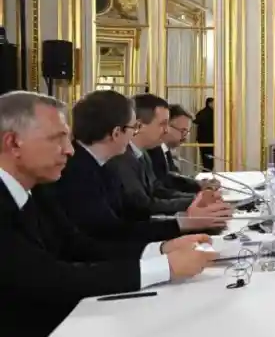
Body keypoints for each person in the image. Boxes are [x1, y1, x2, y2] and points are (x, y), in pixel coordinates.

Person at [0, 91, 216, 337]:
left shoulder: (38, 188)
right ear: (13, 143)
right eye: (57, 138)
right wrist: (166, 266)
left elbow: (79, 246)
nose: (69, 149)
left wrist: (162, 248)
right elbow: (51, 279)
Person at [38, 91, 230, 243]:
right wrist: (183, 225)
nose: (134, 136)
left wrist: (187, 221)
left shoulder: (101, 164)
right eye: (133, 128)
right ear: (116, 133)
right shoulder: (79, 172)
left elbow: (131, 217)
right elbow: (108, 235)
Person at [106, 94, 196, 214]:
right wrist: (192, 203)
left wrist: (194, 199)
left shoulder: (142, 153)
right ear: (139, 126)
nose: (166, 130)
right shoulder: (121, 157)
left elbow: (157, 190)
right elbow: (142, 206)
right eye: (162, 124)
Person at [147, 104, 214, 193]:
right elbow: (165, 185)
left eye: (187, 132)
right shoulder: (152, 151)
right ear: (166, 126)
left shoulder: (165, 150)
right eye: (182, 131)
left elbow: (174, 178)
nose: (185, 137)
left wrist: (197, 183)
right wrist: (196, 188)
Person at [194, 97, 214, 170]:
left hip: (202, 140)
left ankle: (206, 171)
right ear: (209, 103)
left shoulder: (201, 112)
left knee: (205, 159)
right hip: (210, 140)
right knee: (210, 160)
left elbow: (195, 121)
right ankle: (207, 172)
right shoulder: (213, 113)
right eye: (213, 103)